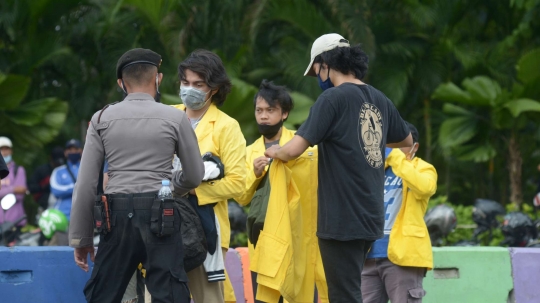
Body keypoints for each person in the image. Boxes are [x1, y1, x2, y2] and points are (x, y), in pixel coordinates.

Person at [264, 33, 413, 303]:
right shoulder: (379, 98)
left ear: (325, 64)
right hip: (370, 216)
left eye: (316, 70)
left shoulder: (332, 100)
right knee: (351, 290)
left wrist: (275, 150)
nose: (318, 77)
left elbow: (294, 149)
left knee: (344, 296)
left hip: (341, 218)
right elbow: (406, 140)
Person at [69, 48, 204, 303]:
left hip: (115, 217)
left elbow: (86, 183)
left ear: (121, 83)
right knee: (170, 295)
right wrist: (172, 185)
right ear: (157, 78)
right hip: (161, 214)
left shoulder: (101, 119)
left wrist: (82, 238)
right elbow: (195, 176)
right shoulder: (176, 118)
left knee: (104, 295)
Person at [235, 80, 328, 303]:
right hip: (265, 242)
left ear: (284, 113)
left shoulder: (305, 147)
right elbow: (241, 197)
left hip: (300, 239)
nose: (263, 116)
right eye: (259, 110)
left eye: (270, 110)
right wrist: (255, 175)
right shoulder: (250, 152)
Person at [171, 49, 246, 303]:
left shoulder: (226, 126)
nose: (189, 89)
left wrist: (193, 189)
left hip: (204, 228)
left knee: (209, 298)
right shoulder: (167, 115)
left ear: (213, 88)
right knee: (158, 294)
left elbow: (238, 181)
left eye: (198, 84)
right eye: (185, 83)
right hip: (164, 220)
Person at [361, 122, 437, 303]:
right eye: (388, 143)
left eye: (398, 144)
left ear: (415, 147)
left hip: (403, 257)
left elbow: (425, 188)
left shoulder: (423, 168)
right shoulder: (375, 171)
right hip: (368, 255)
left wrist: (396, 158)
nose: (391, 148)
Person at [0, 137, 27, 228]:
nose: (4, 152)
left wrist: (5, 190)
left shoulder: (18, 170)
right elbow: (18, 190)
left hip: (15, 220)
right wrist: (13, 188)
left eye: (6, 149)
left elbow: (20, 194)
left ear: (11, 151)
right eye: (1, 149)